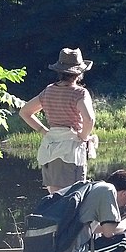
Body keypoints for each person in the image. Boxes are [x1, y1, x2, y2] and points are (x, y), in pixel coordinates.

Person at [19, 47, 98, 193]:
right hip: (71, 148)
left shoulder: (49, 90)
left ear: (60, 71)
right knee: (75, 194)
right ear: (79, 72)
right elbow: (89, 119)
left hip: (51, 146)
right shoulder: (79, 93)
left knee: (54, 195)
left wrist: (43, 130)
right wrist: (83, 136)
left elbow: (25, 112)